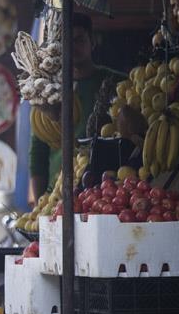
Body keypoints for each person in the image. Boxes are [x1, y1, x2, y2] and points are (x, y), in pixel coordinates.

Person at [28, 13, 125, 203]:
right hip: (55, 195)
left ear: (92, 42)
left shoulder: (116, 83)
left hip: (104, 191)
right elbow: (38, 154)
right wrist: (39, 206)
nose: (72, 47)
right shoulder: (47, 92)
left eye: (79, 40)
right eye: (65, 41)